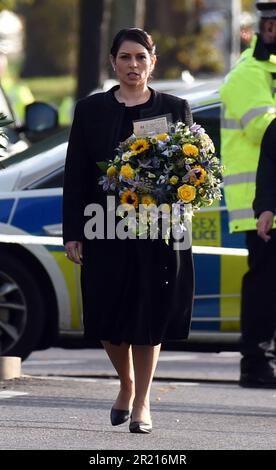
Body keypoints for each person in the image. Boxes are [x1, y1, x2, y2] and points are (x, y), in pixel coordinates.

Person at [62, 28, 194, 433]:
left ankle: (141, 402)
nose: (133, 65)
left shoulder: (175, 107)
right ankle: (126, 382)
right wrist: (73, 231)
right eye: (125, 57)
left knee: (149, 316)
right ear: (113, 62)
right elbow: (77, 173)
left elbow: (190, 170)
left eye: (140, 57)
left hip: (158, 231)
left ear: (152, 62)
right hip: (104, 228)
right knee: (105, 315)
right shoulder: (91, 111)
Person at [220, 1, 276, 388]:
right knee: (264, 289)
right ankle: (254, 363)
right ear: (268, 29)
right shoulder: (247, 74)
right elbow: (266, 131)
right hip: (259, 205)